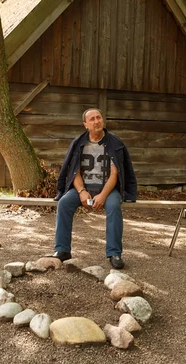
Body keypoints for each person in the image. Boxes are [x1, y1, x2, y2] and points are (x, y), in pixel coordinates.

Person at [48, 108, 137, 269]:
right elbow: (74, 170)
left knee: (113, 206)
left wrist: (103, 195)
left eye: (99, 118)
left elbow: (115, 173)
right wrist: (82, 192)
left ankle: (114, 253)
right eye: (92, 119)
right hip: (83, 187)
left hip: (108, 189)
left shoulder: (115, 143)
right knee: (64, 203)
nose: (97, 121)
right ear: (85, 125)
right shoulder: (78, 143)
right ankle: (62, 250)